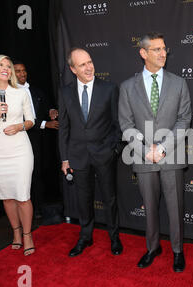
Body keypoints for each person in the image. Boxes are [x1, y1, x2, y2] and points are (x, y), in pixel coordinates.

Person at [118, 32, 192, 272]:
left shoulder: (179, 83)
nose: (163, 54)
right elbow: (126, 125)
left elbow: (184, 121)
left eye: (164, 49)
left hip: (171, 155)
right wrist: (143, 150)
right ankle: (152, 248)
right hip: (143, 157)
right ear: (143, 53)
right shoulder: (128, 87)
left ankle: (178, 250)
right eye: (156, 49)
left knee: (175, 206)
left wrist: (161, 148)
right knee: (149, 206)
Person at [59, 47, 123, 257]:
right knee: (83, 199)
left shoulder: (109, 89)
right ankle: (85, 236)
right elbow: (64, 128)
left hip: (104, 154)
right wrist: (65, 158)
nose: (88, 67)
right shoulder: (66, 91)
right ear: (72, 69)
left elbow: (117, 124)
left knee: (110, 198)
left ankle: (114, 237)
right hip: (78, 155)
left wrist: (112, 149)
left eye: (89, 62)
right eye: (82, 64)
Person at [0, 55, 36, 256]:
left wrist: (19, 126)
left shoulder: (20, 93)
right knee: (7, 197)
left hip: (20, 150)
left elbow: (31, 121)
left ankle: (27, 235)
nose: (6, 69)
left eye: (8, 66)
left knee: (23, 196)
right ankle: (16, 233)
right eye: (1, 65)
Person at [13, 61, 58, 215]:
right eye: (18, 71)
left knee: (40, 171)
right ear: (12, 74)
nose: (22, 74)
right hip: (24, 138)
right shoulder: (11, 94)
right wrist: (46, 124)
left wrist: (51, 110)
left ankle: (40, 206)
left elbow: (46, 105)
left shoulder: (35, 90)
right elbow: (22, 120)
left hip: (41, 139)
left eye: (24, 70)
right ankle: (33, 209)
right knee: (29, 173)